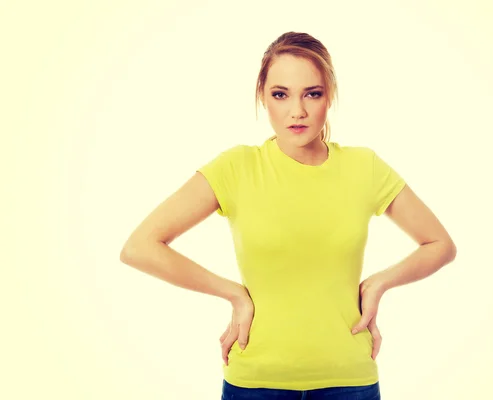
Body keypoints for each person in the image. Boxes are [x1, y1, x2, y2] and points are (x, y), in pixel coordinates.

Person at [120, 31, 457, 399]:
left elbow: (439, 244)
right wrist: (233, 294)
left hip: (349, 381)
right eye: (281, 95)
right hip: (256, 382)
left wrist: (379, 283)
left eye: (312, 94)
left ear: (330, 95)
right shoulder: (237, 168)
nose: (297, 111)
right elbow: (140, 247)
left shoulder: (365, 167)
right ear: (263, 97)